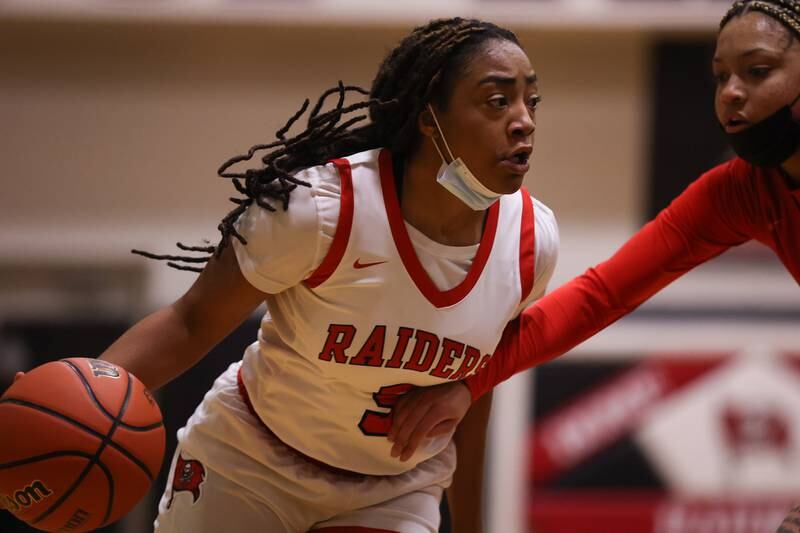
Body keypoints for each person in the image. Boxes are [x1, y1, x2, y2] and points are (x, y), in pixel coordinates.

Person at [29, 18, 557, 533]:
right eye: (496, 100)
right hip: (253, 462)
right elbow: (191, 322)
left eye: (529, 102)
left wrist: (470, 524)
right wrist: (71, 404)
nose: (523, 120)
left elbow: (476, 388)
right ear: (429, 118)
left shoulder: (531, 243)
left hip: (394, 489)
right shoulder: (319, 210)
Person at [386, 0, 800, 521]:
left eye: (758, 71)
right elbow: (601, 295)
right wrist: (469, 382)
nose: (732, 93)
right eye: (721, 77)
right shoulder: (740, 191)